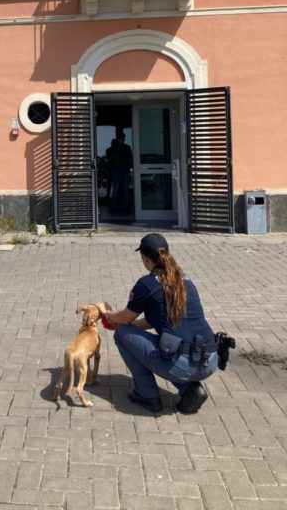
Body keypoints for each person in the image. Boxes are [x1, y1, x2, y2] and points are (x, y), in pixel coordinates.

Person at [94, 233, 218, 414]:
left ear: (145, 259)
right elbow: (152, 320)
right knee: (169, 344)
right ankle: (190, 390)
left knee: (121, 334)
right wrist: (128, 325)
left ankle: (147, 395)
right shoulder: (184, 278)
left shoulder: (146, 284)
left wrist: (107, 313)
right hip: (210, 360)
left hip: (183, 365)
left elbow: (125, 318)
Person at [109, 133, 132, 213]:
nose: (120, 140)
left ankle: (115, 206)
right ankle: (124, 207)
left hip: (118, 170)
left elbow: (114, 158)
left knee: (117, 189)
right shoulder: (127, 147)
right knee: (123, 189)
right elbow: (128, 158)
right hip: (123, 170)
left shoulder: (114, 148)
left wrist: (119, 158)